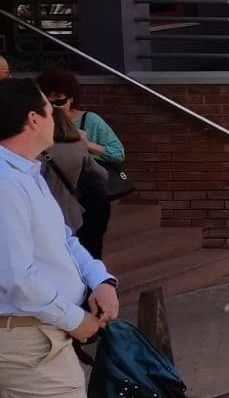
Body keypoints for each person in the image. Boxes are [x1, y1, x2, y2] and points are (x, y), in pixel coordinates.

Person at [0, 78, 119, 398]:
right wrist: (75, 319)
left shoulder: (27, 172)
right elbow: (17, 277)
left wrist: (100, 279)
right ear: (33, 119)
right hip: (28, 342)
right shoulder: (6, 183)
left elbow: (64, 238)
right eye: (48, 109)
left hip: (41, 335)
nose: (56, 115)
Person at [37, 68, 124, 259]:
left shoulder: (89, 120)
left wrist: (88, 145)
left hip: (89, 193)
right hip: (56, 195)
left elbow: (117, 153)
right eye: (48, 101)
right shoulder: (39, 123)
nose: (54, 106)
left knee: (90, 248)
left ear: (71, 98)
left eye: (59, 100)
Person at [40, 106, 107, 234]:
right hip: (71, 210)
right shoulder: (78, 147)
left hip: (45, 210)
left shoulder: (40, 151)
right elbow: (101, 174)